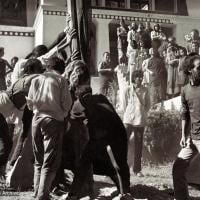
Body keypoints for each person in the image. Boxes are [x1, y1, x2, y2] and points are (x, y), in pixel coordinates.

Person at [65, 85, 133, 200]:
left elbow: (73, 112)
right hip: (119, 130)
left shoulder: (83, 100)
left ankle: (73, 194)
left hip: (100, 133)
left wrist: (80, 116)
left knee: (84, 161)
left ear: (79, 96)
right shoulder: (102, 98)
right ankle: (126, 192)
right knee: (121, 162)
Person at [26, 57, 72, 200]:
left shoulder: (36, 80)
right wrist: (62, 115)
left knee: (39, 160)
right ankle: (43, 194)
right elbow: (67, 104)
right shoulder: (60, 80)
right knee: (50, 161)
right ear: (61, 68)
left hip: (36, 120)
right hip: (53, 121)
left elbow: (30, 104)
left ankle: (36, 192)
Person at [0, 59, 43, 177]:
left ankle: (2, 172)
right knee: (7, 144)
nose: (41, 71)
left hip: (3, 113)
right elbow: (39, 78)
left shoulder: (26, 81)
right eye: (39, 68)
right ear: (31, 70)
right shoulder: (26, 81)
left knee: (7, 143)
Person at [172, 55, 200, 200]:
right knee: (178, 169)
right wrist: (184, 135)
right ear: (190, 70)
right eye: (199, 67)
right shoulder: (185, 90)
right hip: (192, 138)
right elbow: (185, 115)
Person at [123, 70, 150, 176]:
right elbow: (124, 104)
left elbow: (148, 105)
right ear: (133, 78)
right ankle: (122, 167)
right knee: (123, 144)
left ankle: (137, 170)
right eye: (138, 77)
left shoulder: (145, 90)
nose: (140, 78)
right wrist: (130, 112)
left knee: (138, 146)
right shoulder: (128, 90)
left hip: (140, 120)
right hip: (128, 120)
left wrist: (141, 113)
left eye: (141, 77)